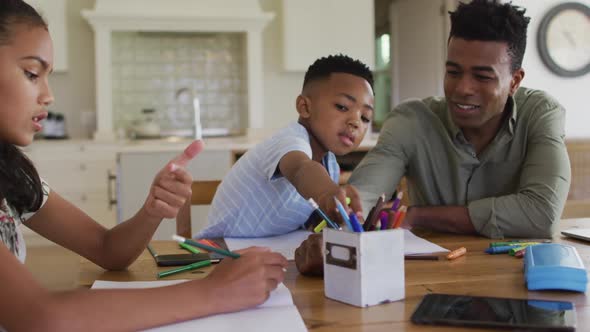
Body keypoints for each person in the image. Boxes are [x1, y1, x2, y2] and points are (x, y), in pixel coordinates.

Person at [0, 1, 287, 330]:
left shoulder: (15, 176)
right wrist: (215, 291)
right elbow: (40, 318)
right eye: (32, 74)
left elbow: (107, 250)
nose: (49, 96)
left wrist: (153, 209)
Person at [295, 0, 571, 275]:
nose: (462, 88)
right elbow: (363, 198)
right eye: (453, 72)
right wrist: (338, 234)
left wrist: (418, 215)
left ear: (514, 81)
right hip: (431, 277)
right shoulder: (411, 121)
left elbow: (541, 213)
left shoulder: (540, 113)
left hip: (516, 276)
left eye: (483, 77)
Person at [197, 54, 374, 238]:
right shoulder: (289, 141)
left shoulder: (331, 167)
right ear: (305, 107)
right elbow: (300, 170)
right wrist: (328, 193)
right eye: (342, 106)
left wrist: (330, 217)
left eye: (365, 118)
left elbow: (308, 219)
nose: (356, 122)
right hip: (219, 251)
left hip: (268, 253)